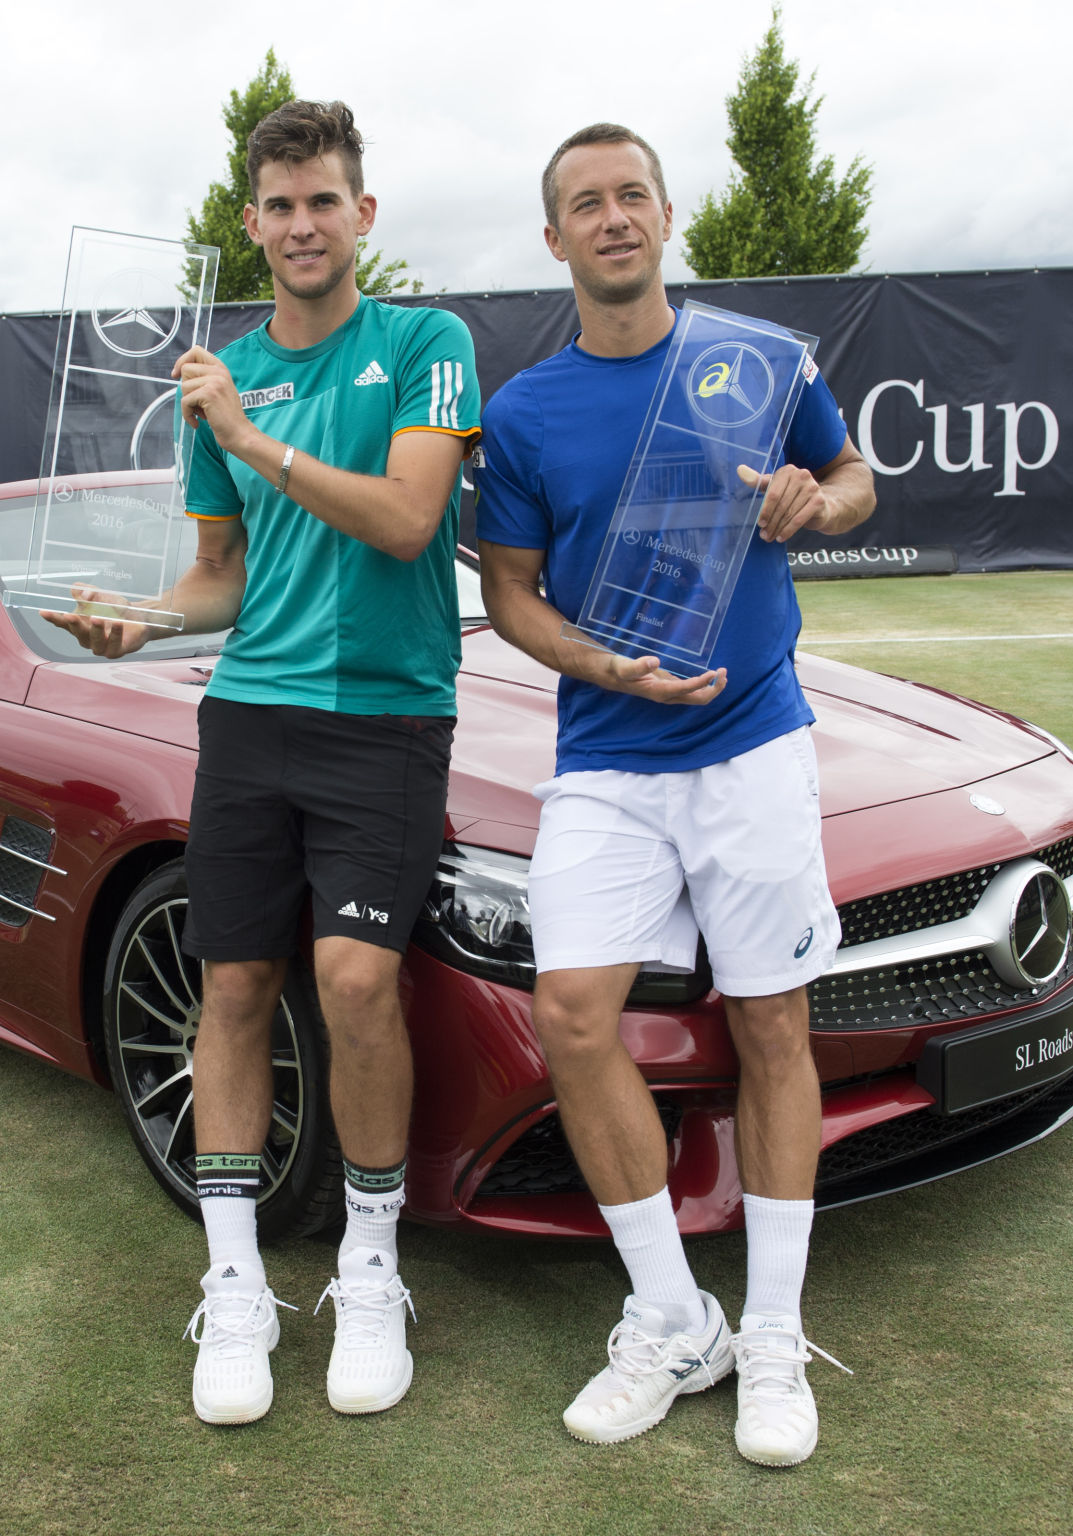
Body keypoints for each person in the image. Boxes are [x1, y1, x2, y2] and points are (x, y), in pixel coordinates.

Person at [45, 100, 481, 1426]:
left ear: (362, 214)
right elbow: (220, 579)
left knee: (353, 980)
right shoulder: (220, 377)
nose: (302, 224)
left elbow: (409, 523)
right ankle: (235, 1283)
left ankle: (366, 1267)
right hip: (246, 717)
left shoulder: (422, 342)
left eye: (323, 200)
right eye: (279, 205)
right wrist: (148, 619)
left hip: (388, 716)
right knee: (230, 983)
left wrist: (249, 435)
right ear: (254, 223)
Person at [474, 123, 875, 1467]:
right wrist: (602, 666)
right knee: (571, 1015)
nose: (610, 217)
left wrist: (818, 500)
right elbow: (509, 596)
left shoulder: (756, 360)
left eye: (629, 194)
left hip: (754, 739)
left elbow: (857, 481)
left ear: (662, 214)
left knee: (770, 1017)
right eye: (582, 203)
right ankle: (669, 1315)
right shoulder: (525, 411)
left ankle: (767, 1332)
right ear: (554, 239)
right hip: (605, 751)